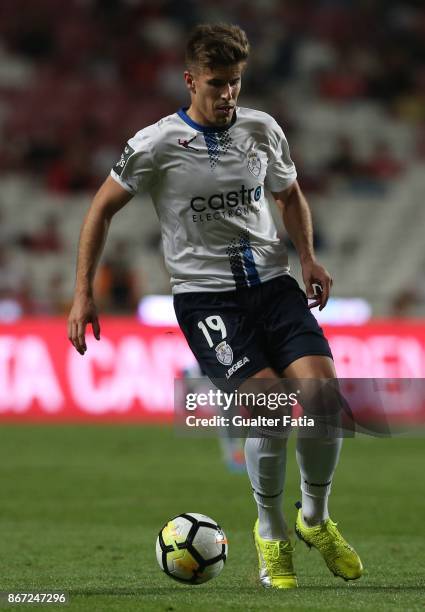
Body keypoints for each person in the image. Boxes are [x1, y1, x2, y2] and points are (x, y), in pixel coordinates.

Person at [68, 23, 363, 589]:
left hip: (274, 284)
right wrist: (83, 292)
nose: (228, 94)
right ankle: (271, 534)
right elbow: (100, 209)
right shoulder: (154, 145)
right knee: (272, 413)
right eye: (217, 84)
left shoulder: (262, 128)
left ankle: (315, 520)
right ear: (190, 81)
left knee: (325, 400)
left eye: (236, 83)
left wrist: (308, 258)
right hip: (207, 300)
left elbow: (288, 194)